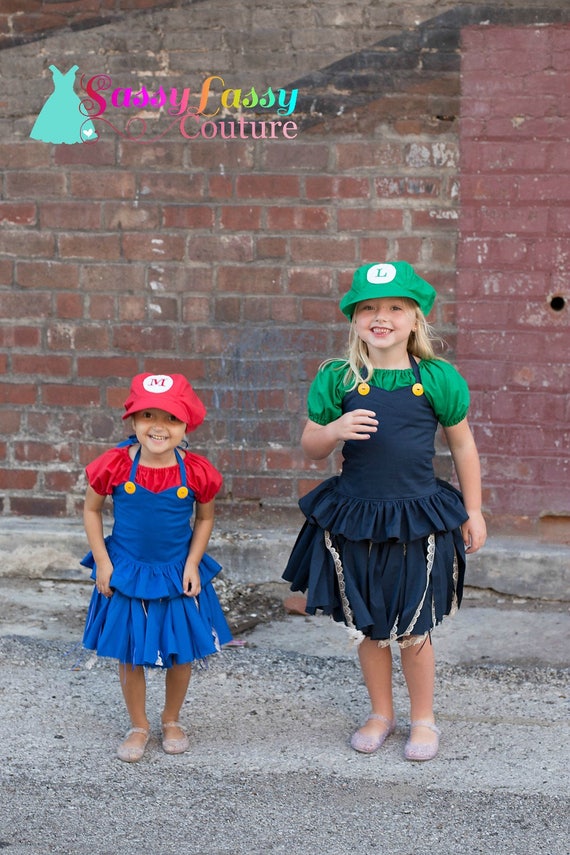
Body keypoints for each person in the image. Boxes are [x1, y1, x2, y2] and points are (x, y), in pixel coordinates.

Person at [283, 262, 486, 761]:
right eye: (369, 308)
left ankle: (423, 719)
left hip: (418, 518)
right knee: (368, 624)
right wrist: (335, 430)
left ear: (415, 319)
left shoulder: (437, 378)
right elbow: (311, 444)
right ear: (354, 319)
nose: (382, 317)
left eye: (395, 307)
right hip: (357, 517)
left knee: (415, 626)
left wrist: (474, 510)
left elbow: (463, 448)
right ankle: (380, 712)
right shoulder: (340, 377)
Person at [81, 373, 232, 762]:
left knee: (179, 652)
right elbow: (91, 509)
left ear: (187, 426)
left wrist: (194, 563)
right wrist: (102, 561)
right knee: (130, 652)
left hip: (175, 572)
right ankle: (138, 724)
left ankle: (171, 718)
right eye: (147, 415)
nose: (158, 427)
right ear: (132, 421)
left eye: (171, 418)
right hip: (127, 571)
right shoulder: (114, 464)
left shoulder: (197, 471)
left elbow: (204, 519)